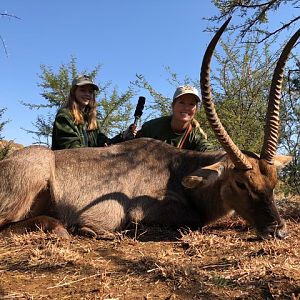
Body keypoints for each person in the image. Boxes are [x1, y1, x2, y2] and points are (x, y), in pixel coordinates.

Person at [51, 74, 135, 150]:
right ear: (74, 92)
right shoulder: (65, 116)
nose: (87, 94)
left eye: (90, 92)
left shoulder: (91, 118)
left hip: (89, 163)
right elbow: (73, 150)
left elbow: (104, 143)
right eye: (82, 90)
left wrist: (123, 136)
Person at [136, 85, 212, 151]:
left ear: (196, 109)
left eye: (191, 104)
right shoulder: (151, 127)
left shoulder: (196, 135)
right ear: (173, 105)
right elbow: (130, 143)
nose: (186, 108)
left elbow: (208, 151)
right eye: (181, 102)